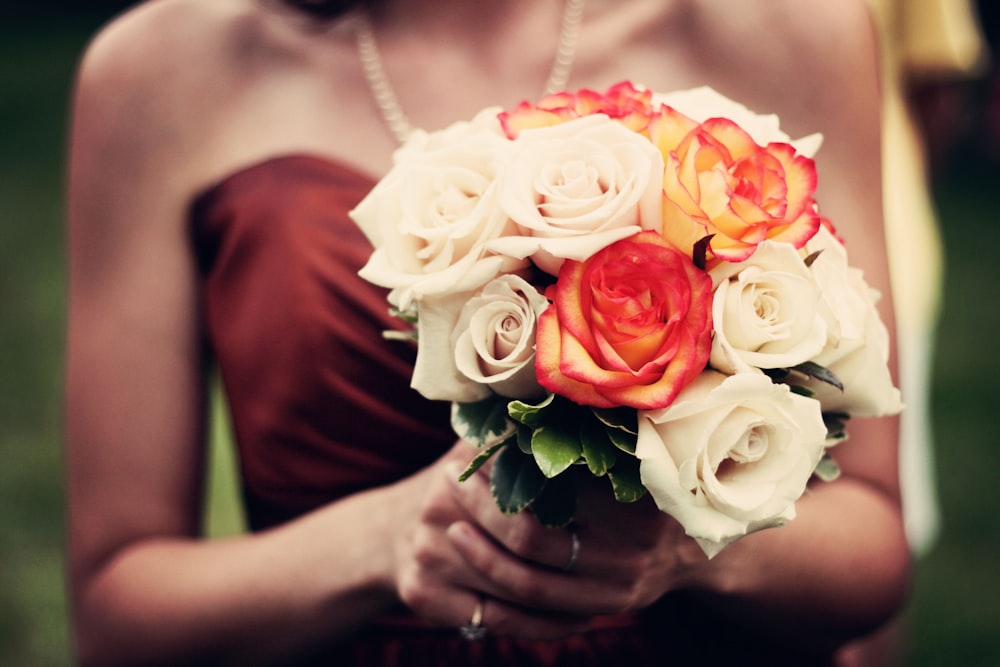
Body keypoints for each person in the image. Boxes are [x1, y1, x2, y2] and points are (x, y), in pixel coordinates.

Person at [63, 0, 910, 665]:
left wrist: (694, 550)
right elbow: (116, 619)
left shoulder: (782, 25)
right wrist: (383, 539)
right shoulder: (161, 69)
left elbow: (869, 543)